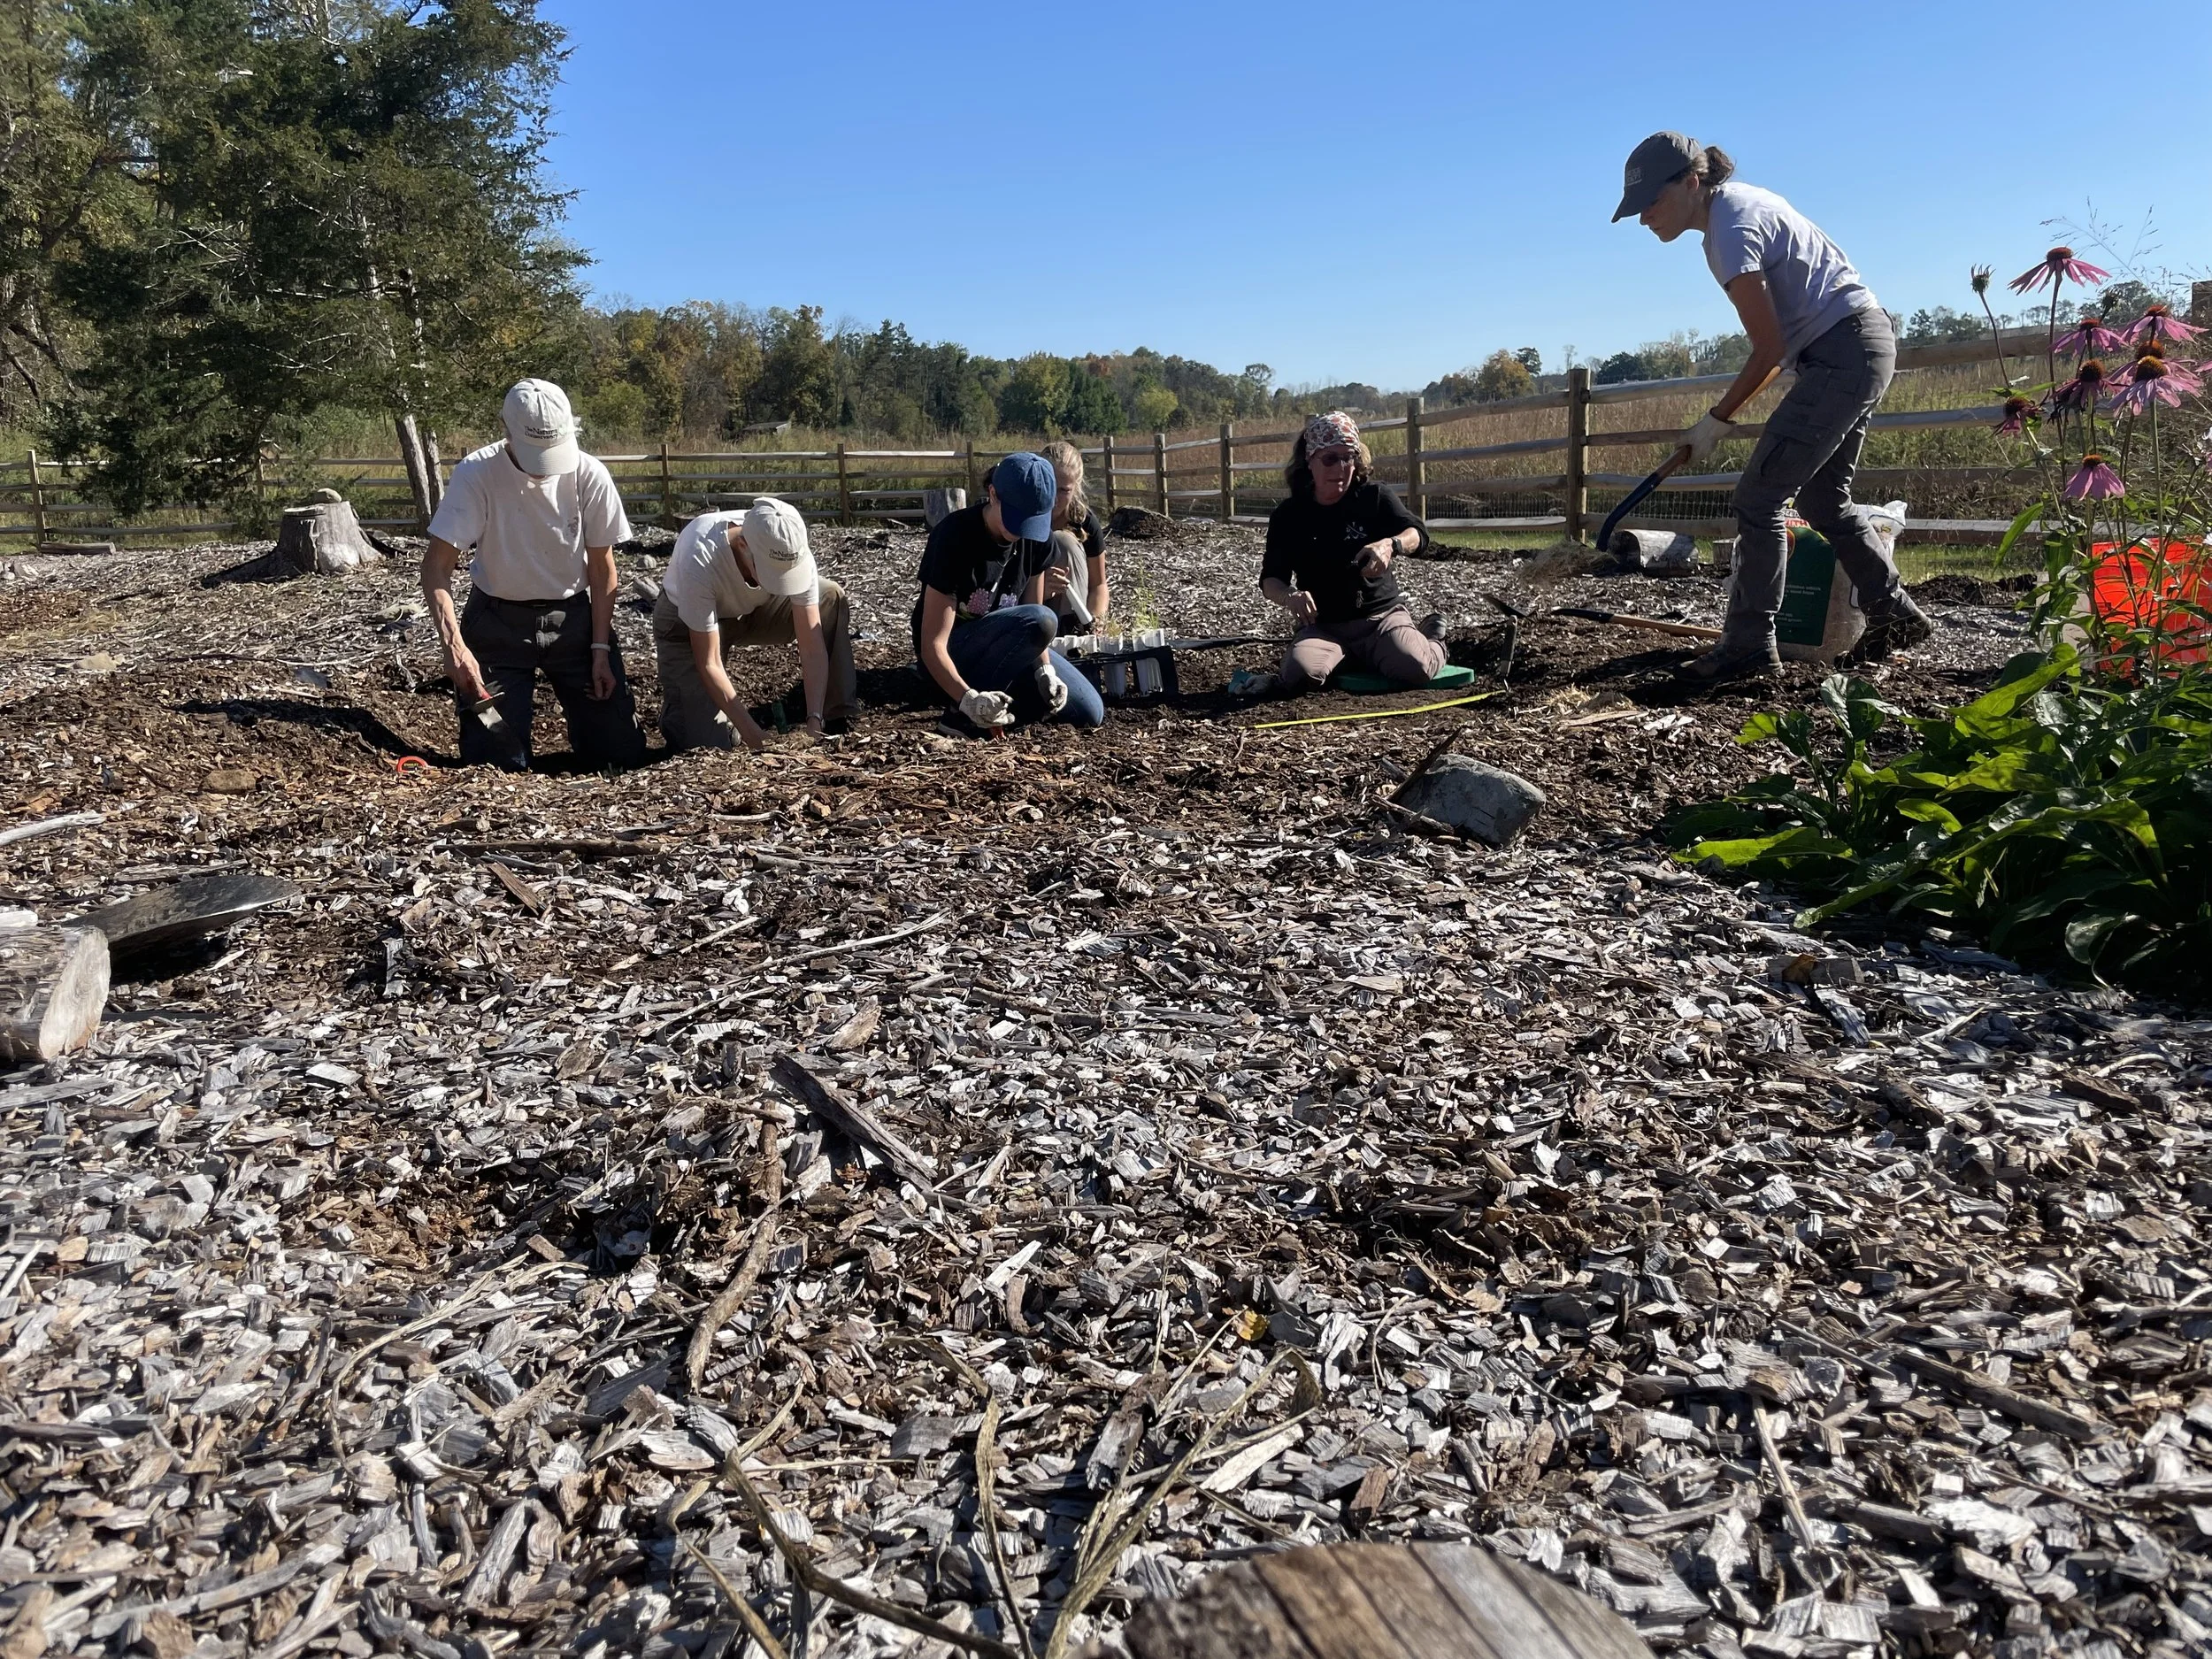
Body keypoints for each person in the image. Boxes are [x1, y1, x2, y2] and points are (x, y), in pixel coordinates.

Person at [1613, 132, 1932, 684]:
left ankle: (1749, 647)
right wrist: (1722, 415)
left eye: (1649, 203)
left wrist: (1716, 419)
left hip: (1844, 352)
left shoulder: (1730, 229)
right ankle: (1894, 613)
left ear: (1690, 182)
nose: (1643, 218)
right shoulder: (1742, 206)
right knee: (1824, 499)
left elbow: (1766, 347)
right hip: (1859, 345)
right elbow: (1779, 349)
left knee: (1760, 497)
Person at [423, 379, 648, 770]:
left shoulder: (588, 474)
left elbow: (602, 566)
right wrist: (455, 648)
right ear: (506, 431)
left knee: (620, 756)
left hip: (574, 621)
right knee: (493, 760)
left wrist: (599, 649)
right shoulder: (477, 474)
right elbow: (436, 567)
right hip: (496, 623)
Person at [1255, 411, 1447, 695]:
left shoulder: (1374, 498)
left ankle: (1433, 637)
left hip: (1380, 619)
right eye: (1330, 459)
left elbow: (1418, 534)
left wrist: (1390, 545)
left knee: (1415, 667)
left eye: (1349, 457)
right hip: (1324, 626)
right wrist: (1290, 596)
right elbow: (1271, 579)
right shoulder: (1289, 515)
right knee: (1299, 674)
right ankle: (1350, 656)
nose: (1341, 467)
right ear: (1309, 460)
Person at [913, 451, 1106, 732]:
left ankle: (1002, 708)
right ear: (993, 494)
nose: (1022, 530)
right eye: (1016, 517)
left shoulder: (1038, 540)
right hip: (955, 655)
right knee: (1043, 620)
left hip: (1008, 650)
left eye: (1033, 519)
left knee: (1088, 710)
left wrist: (1045, 671)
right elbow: (931, 645)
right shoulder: (954, 537)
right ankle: (961, 714)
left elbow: (1032, 622)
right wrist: (967, 699)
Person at [654, 496, 858, 752]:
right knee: (704, 745)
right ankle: (690, 716)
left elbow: (812, 646)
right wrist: (757, 740)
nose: (782, 579)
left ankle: (835, 716)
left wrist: (814, 720)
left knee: (828, 597)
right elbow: (710, 662)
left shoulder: (790, 545)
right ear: (742, 545)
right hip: (687, 624)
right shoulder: (700, 554)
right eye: (772, 572)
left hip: (754, 609)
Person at [1038, 440, 1110, 634]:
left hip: (1073, 607)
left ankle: (1076, 635)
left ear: (1076, 487)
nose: (1054, 498)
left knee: (1063, 541)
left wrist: (1096, 621)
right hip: (1028, 606)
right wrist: (1039, 589)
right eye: (1050, 485)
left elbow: (1099, 584)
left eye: (1064, 490)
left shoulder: (1085, 522)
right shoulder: (1021, 518)